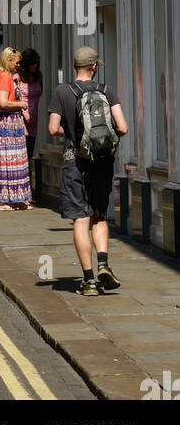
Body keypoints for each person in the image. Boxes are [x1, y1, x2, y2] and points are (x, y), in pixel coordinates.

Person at [48, 46, 127, 296]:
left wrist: (71, 134)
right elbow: (122, 127)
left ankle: (89, 280)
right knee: (99, 216)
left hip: (74, 160)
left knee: (80, 219)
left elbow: (52, 129)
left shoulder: (63, 91)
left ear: (74, 67)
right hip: (102, 162)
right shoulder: (107, 90)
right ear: (94, 67)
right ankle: (104, 263)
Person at [0, 47, 32, 210]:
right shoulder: (4, 77)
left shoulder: (4, 77)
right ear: (8, 61)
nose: (18, 66)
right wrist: (22, 105)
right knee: (10, 161)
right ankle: (5, 201)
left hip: (9, 121)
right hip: (7, 122)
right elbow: (3, 102)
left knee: (13, 161)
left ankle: (15, 199)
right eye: (16, 62)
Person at [19, 48, 43, 197]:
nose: (35, 66)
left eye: (36, 63)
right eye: (32, 64)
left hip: (34, 121)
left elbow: (40, 93)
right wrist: (25, 112)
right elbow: (16, 97)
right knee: (22, 157)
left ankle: (28, 192)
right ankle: (24, 191)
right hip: (21, 119)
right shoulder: (17, 77)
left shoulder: (39, 76)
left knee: (29, 154)